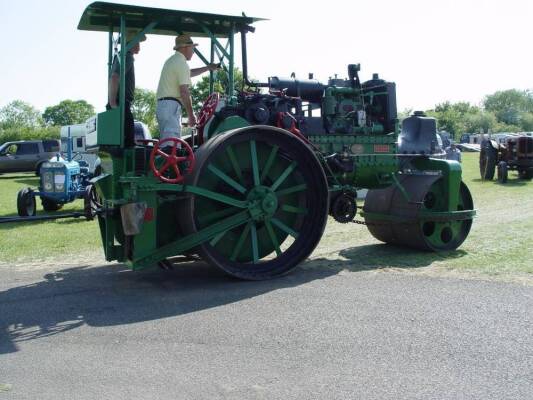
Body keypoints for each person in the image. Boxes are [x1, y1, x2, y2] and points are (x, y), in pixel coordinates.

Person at [156, 34, 219, 147]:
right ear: (185, 47)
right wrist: (191, 115)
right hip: (171, 107)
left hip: (164, 106)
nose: (193, 51)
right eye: (192, 48)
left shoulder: (173, 60)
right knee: (171, 147)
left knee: (167, 145)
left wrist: (208, 68)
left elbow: (188, 73)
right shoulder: (181, 63)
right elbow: (184, 91)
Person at [107, 29, 146, 147]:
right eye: (138, 42)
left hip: (121, 103)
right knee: (128, 144)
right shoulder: (126, 56)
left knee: (124, 141)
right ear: (132, 43)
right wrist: (113, 102)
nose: (139, 46)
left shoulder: (121, 56)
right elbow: (114, 78)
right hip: (121, 103)